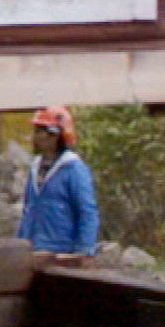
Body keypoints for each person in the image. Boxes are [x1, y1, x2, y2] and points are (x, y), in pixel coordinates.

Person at [16, 106, 99, 258]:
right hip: (32, 252)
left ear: (57, 136)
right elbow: (28, 212)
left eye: (42, 131)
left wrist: (84, 252)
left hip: (62, 254)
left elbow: (87, 213)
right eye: (37, 130)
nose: (37, 136)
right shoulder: (35, 168)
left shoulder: (74, 169)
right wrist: (20, 245)